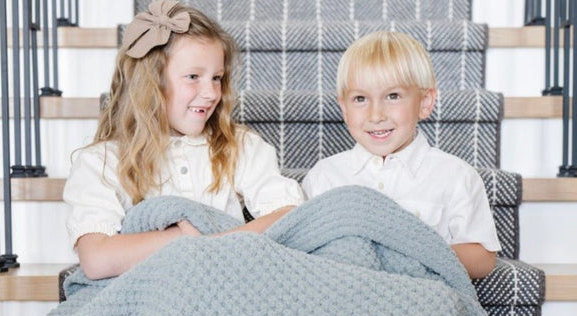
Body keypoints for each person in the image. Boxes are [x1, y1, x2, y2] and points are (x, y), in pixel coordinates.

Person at [63, 0, 304, 280]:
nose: (212, 93)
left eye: (217, 78)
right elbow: (97, 259)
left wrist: (209, 246)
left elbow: (287, 215)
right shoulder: (101, 162)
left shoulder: (240, 146)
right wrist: (181, 238)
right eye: (193, 77)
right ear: (151, 82)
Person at [302, 31, 500, 279]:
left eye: (392, 96)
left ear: (425, 102)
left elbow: (482, 258)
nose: (376, 115)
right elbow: (302, 254)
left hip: (423, 303)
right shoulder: (325, 177)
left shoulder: (455, 176)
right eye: (360, 99)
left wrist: (406, 258)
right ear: (344, 108)